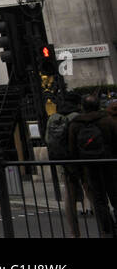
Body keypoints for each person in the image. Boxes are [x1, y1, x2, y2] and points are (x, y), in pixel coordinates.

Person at [68, 95, 117, 236]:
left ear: (82, 107)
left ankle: (108, 229)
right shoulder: (106, 120)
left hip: (89, 166)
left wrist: (78, 170)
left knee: (100, 200)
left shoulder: (76, 124)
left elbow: (72, 149)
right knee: (115, 196)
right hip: (109, 164)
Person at [46, 91, 86, 237]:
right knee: (91, 191)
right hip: (81, 160)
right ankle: (104, 228)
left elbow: (48, 140)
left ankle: (74, 232)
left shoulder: (53, 118)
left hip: (64, 162)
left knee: (69, 196)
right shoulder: (77, 117)